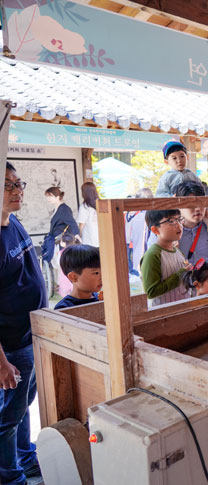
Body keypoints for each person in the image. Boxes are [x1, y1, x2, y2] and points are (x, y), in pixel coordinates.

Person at [1, 162, 45, 485]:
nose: (18, 191)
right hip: (12, 345)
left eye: (19, 184)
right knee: (8, 417)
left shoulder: (12, 222)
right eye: (8, 185)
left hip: (32, 336)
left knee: (24, 407)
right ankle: (10, 475)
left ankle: (25, 457)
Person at [157, 142, 208, 259]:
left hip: (191, 209)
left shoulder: (190, 174)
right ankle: (173, 246)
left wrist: (205, 207)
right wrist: (171, 199)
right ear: (166, 162)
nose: (179, 160)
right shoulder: (166, 177)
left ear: (187, 157)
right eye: (174, 158)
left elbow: (201, 190)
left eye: (182, 156)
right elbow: (159, 195)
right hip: (174, 212)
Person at [140, 209, 191, 307]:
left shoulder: (178, 251)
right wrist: (180, 275)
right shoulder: (153, 255)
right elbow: (151, 292)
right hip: (164, 315)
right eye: (171, 221)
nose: (178, 225)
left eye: (179, 219)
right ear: (155, 229)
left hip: (182, 309)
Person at [41, 186, 79, 269]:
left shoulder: (64, 209)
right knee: (59, 264)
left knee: (62, 265)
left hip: (62, 241)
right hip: (56, 240)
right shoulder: (57, 208)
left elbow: (72, 223)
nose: (48, 199)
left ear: (57, 197)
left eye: (50, 196)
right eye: (47, 196)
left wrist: (77, 235)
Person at [54, 245, 102, 309]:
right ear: (73, 277)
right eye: (96, 273)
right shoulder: (64, 309)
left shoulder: (101, 299)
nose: (102, 277)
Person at [126, 188, 153, 277]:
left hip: (138, 257)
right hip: (151, 257)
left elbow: (132, 238)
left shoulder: (134, 218)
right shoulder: (154, 217)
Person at [56, 233, 80, 297]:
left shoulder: (61, 252)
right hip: (75, 273)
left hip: (64, 274)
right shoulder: (76, 250)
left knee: (65, 292)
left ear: (64, 243)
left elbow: (58, 263)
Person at [77, 181, 99, 247]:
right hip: (101, 238)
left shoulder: (84, 206)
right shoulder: (100, 203)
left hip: (89, 239)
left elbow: (81, 224)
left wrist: (79, 235)